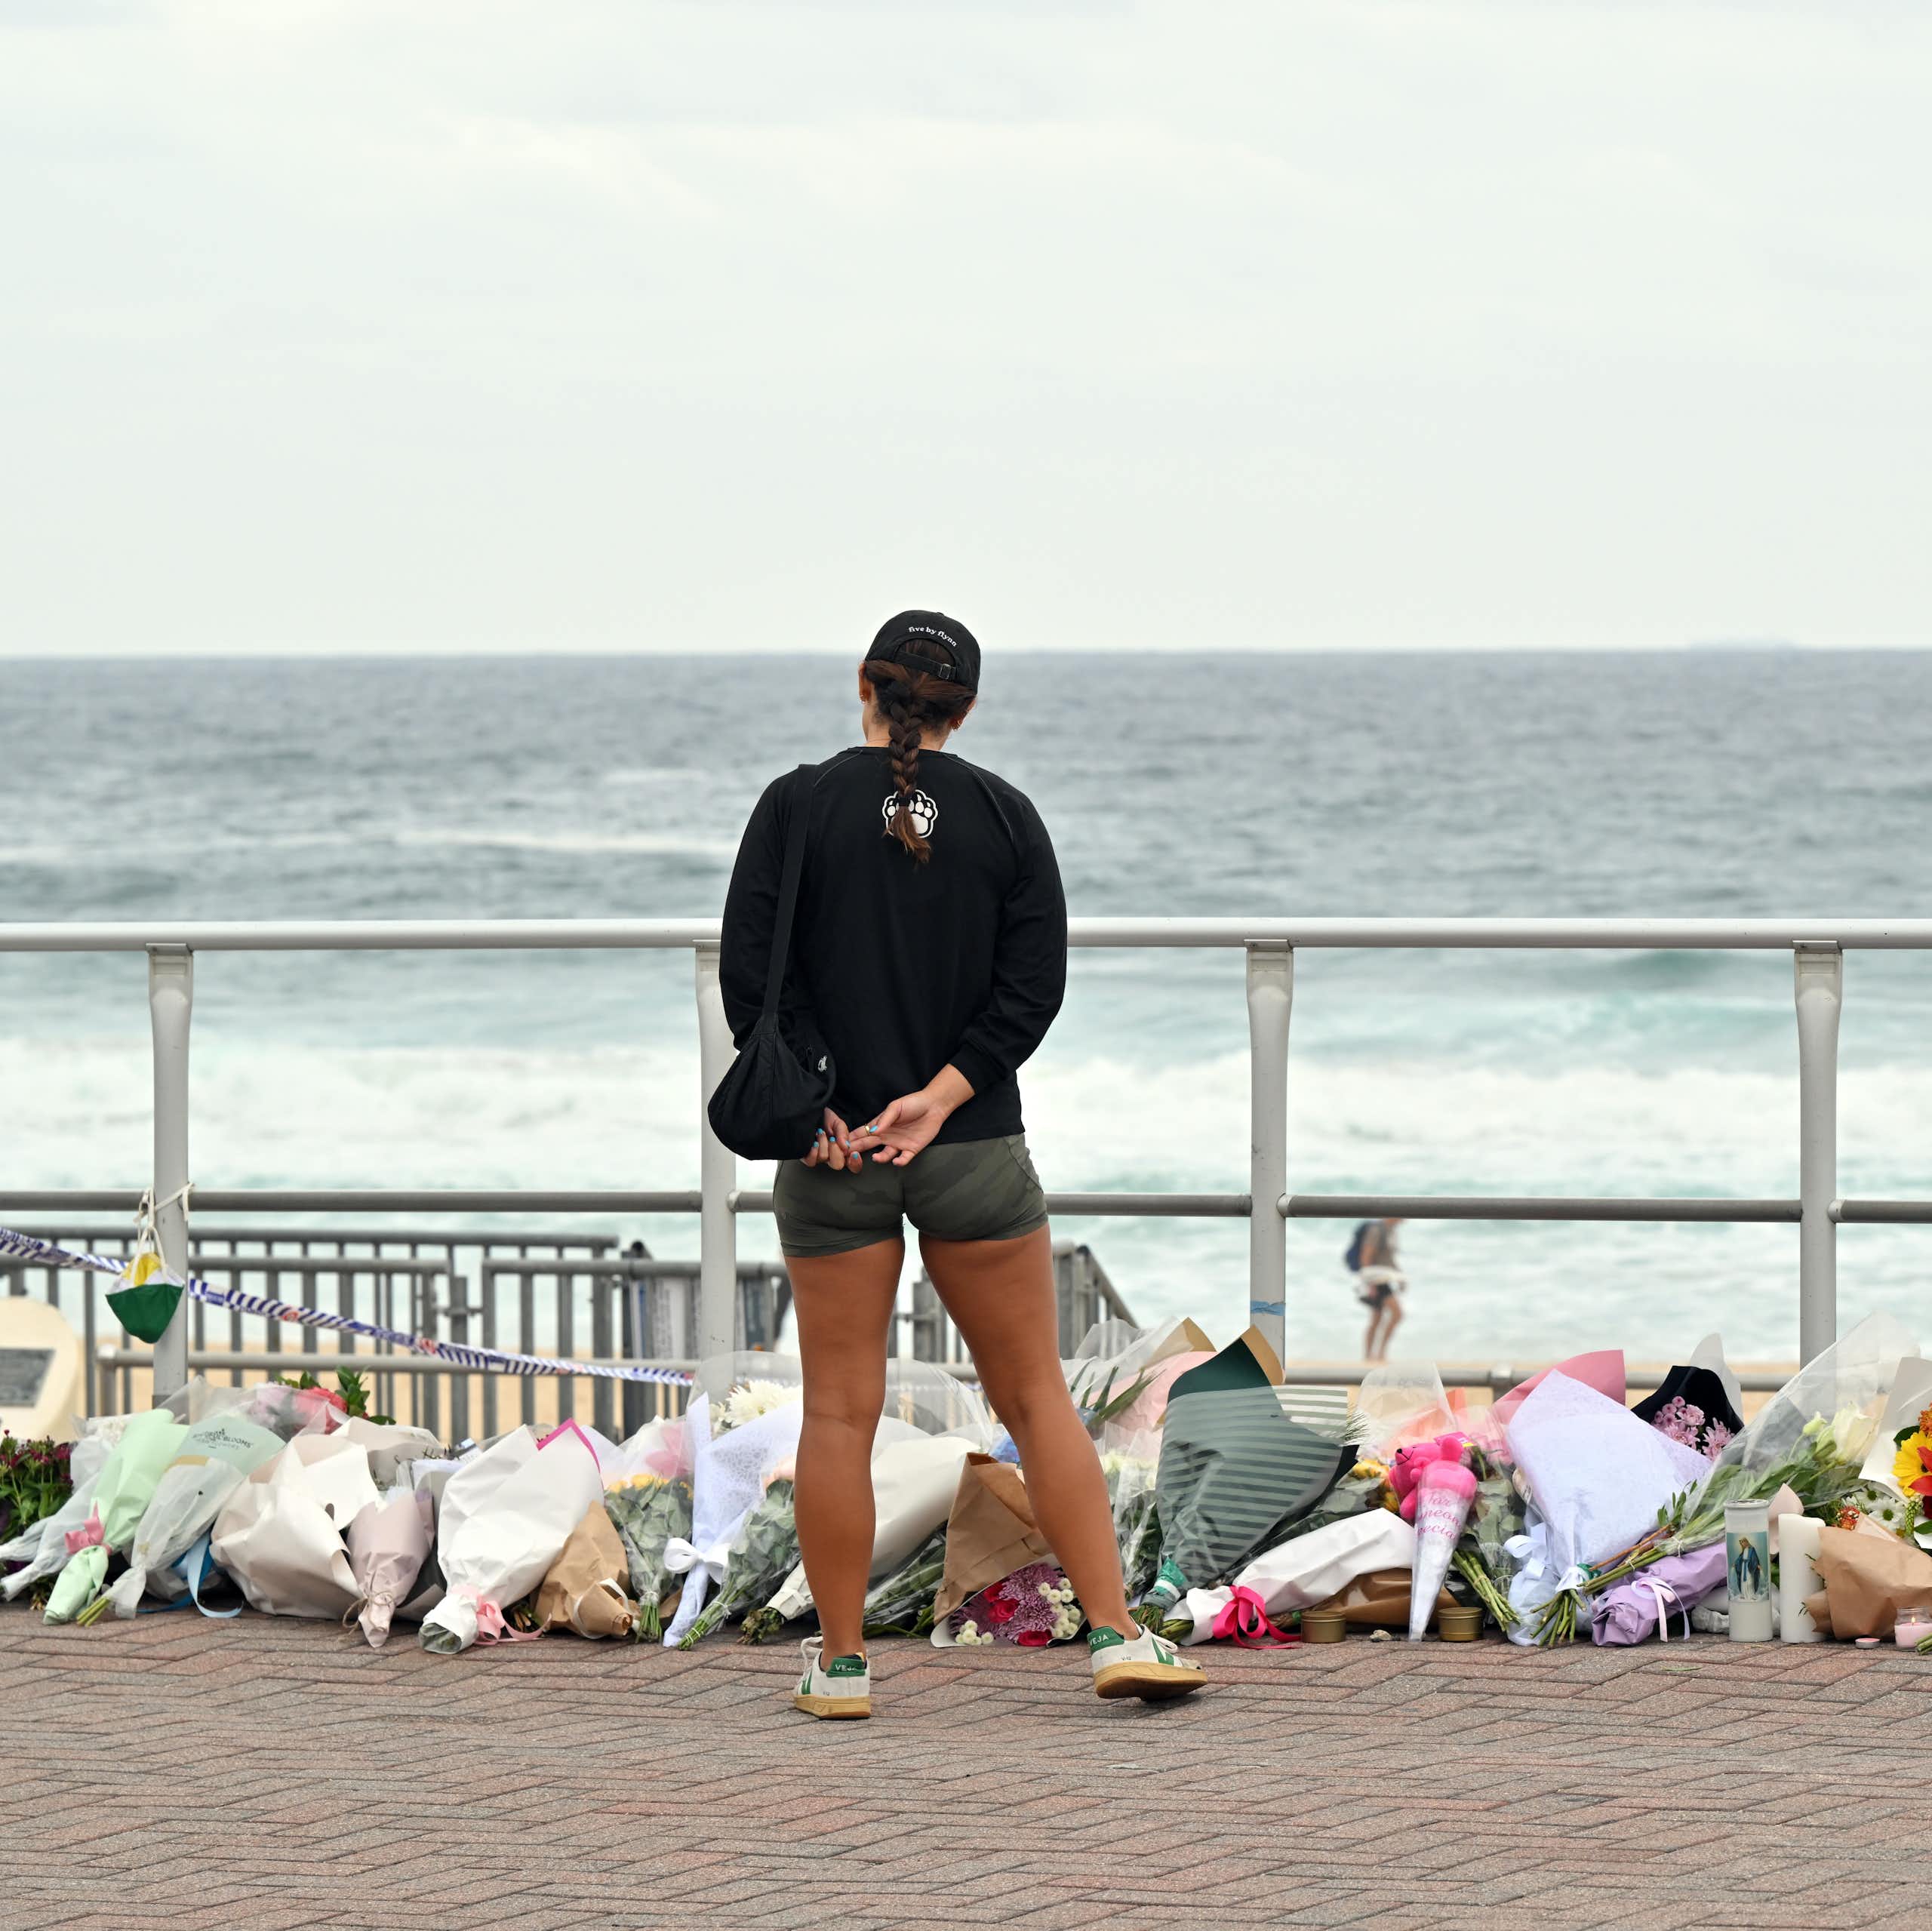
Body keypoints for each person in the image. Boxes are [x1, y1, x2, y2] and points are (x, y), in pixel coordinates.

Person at [719, 610, 1203, 1720]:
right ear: (967, 709)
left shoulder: (795, 805)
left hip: (831, 1151)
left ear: (864, 685)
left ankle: (840, 1665)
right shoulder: (1005, 815)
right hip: (974, 1140)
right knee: (1038, 1399)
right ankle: (1120, 1634)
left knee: (838, 1410)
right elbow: (1031, 988)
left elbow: (754, 983)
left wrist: (829, 1110)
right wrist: (941, 1095)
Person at [1352, 1217, 1406, 1362]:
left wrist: (1400, 1278)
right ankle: (1378, 1354)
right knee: (1397, 1314)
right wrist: (1371, 1284)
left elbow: (1389, 1259)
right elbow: (1366, 1257)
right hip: (1376, 1281)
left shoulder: (1391, 1231)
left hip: (1384, 1279)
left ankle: (1370, 1356)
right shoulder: (1377, 1230)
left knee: (1377, 1318)